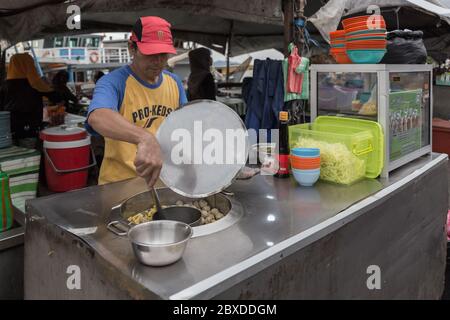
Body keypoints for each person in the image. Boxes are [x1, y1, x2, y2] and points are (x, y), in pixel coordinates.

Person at [87, 16, 187, 188]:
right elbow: (98, 117)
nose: (158, 62)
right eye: (150, 54)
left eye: (163, 55)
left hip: (164, 183)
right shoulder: (113, 82)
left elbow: (186, 125)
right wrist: (144, 137)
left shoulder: (175, 83)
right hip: (119, 186)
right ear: (132, 48)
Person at [3, 53, 60, 140]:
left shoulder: (4, 85)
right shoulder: (34, 83)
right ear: (29, 65)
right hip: (31, 128)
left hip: (8, 129)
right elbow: (56, 97)